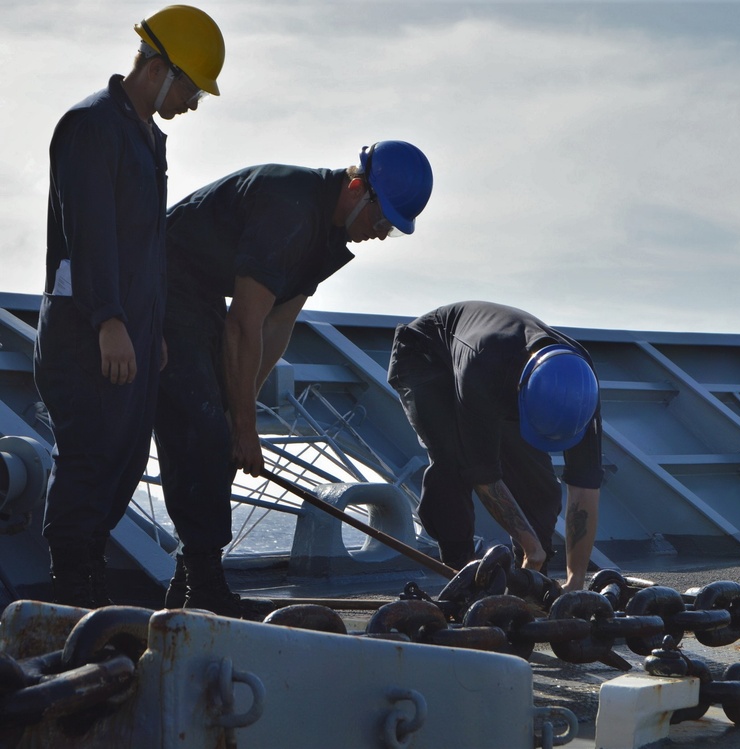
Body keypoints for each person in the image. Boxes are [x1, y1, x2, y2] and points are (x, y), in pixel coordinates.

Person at [155, 141, 434, 616]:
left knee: (220, 422)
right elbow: (244, 322)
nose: (381, 233)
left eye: (392, 229)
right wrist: (240, 425)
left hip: (199, 295)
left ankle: (190, 579)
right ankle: (201, 584)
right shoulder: (291, 209)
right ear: (355, 188)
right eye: (382, 219)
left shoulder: (328, 237)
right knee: (204, 428)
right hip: (156, 282)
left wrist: (240, 408)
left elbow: (277, 326)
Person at [34, 5, 225, 608]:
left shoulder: (145, 136)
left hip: (129, 329)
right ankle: (71, 598)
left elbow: (145, 245)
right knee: (90, 457)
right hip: (87, 332)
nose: (194, 103)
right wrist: (111, 320)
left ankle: (84, 584)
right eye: (192, 87)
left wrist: (149, 325)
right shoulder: (91, 125)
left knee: (119, 462)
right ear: (161, 69)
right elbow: (89, 234)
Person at [387, 301, 603, 591]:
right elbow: (483, 473)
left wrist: (576, 579)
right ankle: (461, 573)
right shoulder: (483, 367)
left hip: (507, 371)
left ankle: (528, 578)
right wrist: (530, 546)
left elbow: (585, 485)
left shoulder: (580, 382)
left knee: (538, 482)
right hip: (427, 354)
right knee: (453, 460)